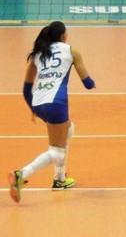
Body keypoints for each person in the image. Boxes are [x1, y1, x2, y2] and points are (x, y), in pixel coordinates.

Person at [8, 21, 96, 203]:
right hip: (56, 103)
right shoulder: (70, 50)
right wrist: (92, 83)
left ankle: (60, 178)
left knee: (69, 129)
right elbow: (87, 83)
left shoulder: (38, 54)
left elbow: (26, 89)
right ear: (64, 36)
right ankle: (21, 174)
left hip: (39, 103)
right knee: (56, 152)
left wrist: (33, 109)